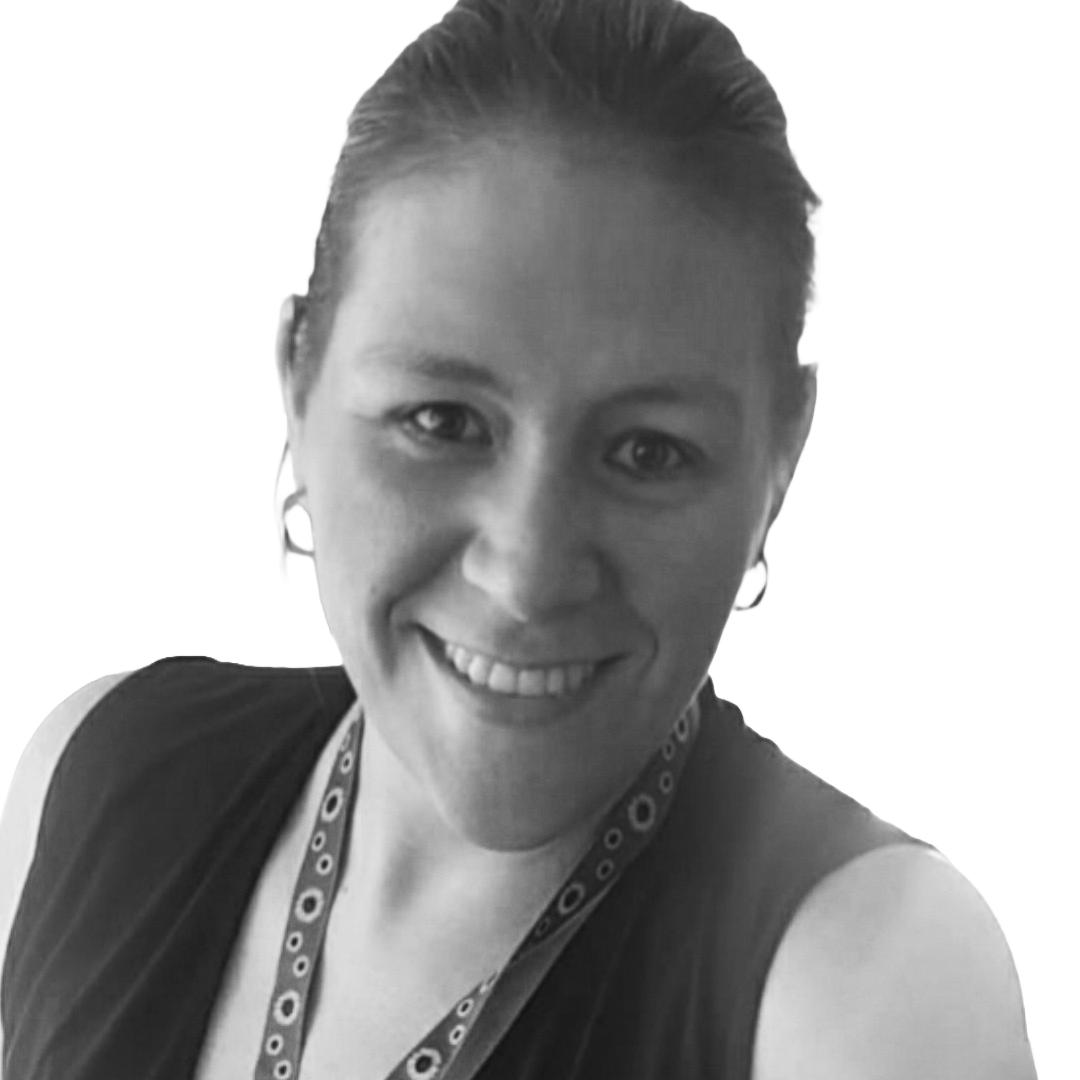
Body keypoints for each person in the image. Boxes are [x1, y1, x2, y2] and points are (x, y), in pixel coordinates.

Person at [0, 0, 1037, 1077]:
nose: (528, 572)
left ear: (781, 459)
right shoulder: (93, 778)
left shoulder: (868, 982)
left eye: (647, 452)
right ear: (298, 379)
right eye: (442, 423)